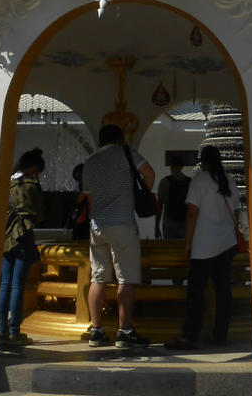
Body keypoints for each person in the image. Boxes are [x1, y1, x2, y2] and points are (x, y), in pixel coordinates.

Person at [81, 123, 155, 349]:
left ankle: (96, 331)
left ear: (100, 140)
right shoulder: (126, 152)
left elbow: (89, 198)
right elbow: (149, 173)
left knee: (98, 278)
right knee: (126, 279)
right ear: (121, 138)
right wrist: (139, 193)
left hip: (97, 226)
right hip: (122, 222)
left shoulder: (90, 161)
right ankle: (125, 331)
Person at [165, 145, 240, 351]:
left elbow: (191, 213)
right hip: (227, 243)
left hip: (204, 245)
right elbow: (236, 212)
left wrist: (188, 242)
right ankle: (220, 334)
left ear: (203, 161)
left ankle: (191, 335)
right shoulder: (229, 180)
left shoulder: (200, 180)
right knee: (223, 290)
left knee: (196, 292)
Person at [0, 147, 45, 348]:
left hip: (5, 237)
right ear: (33, 168)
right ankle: (14, 330)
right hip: (24, 235)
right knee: (17, 285)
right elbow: (40, 212)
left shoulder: (5, 182)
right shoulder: (31, 184)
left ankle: (2, 331)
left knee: (5, 284)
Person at [155, 155, 191, 239]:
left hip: (169, 223)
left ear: (171, 166)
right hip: (185, 224)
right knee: (184, 246)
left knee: (169, 246)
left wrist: (156, 226)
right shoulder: (190, 182)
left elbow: (159, 205)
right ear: (182, 166)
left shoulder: (164, 182)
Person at [69, 163, 90, 240]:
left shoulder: (88, 189)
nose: (80, 181)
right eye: (77, 179)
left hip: (86, 224)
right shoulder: (83, 189)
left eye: (80, 178)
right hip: (82, 224)